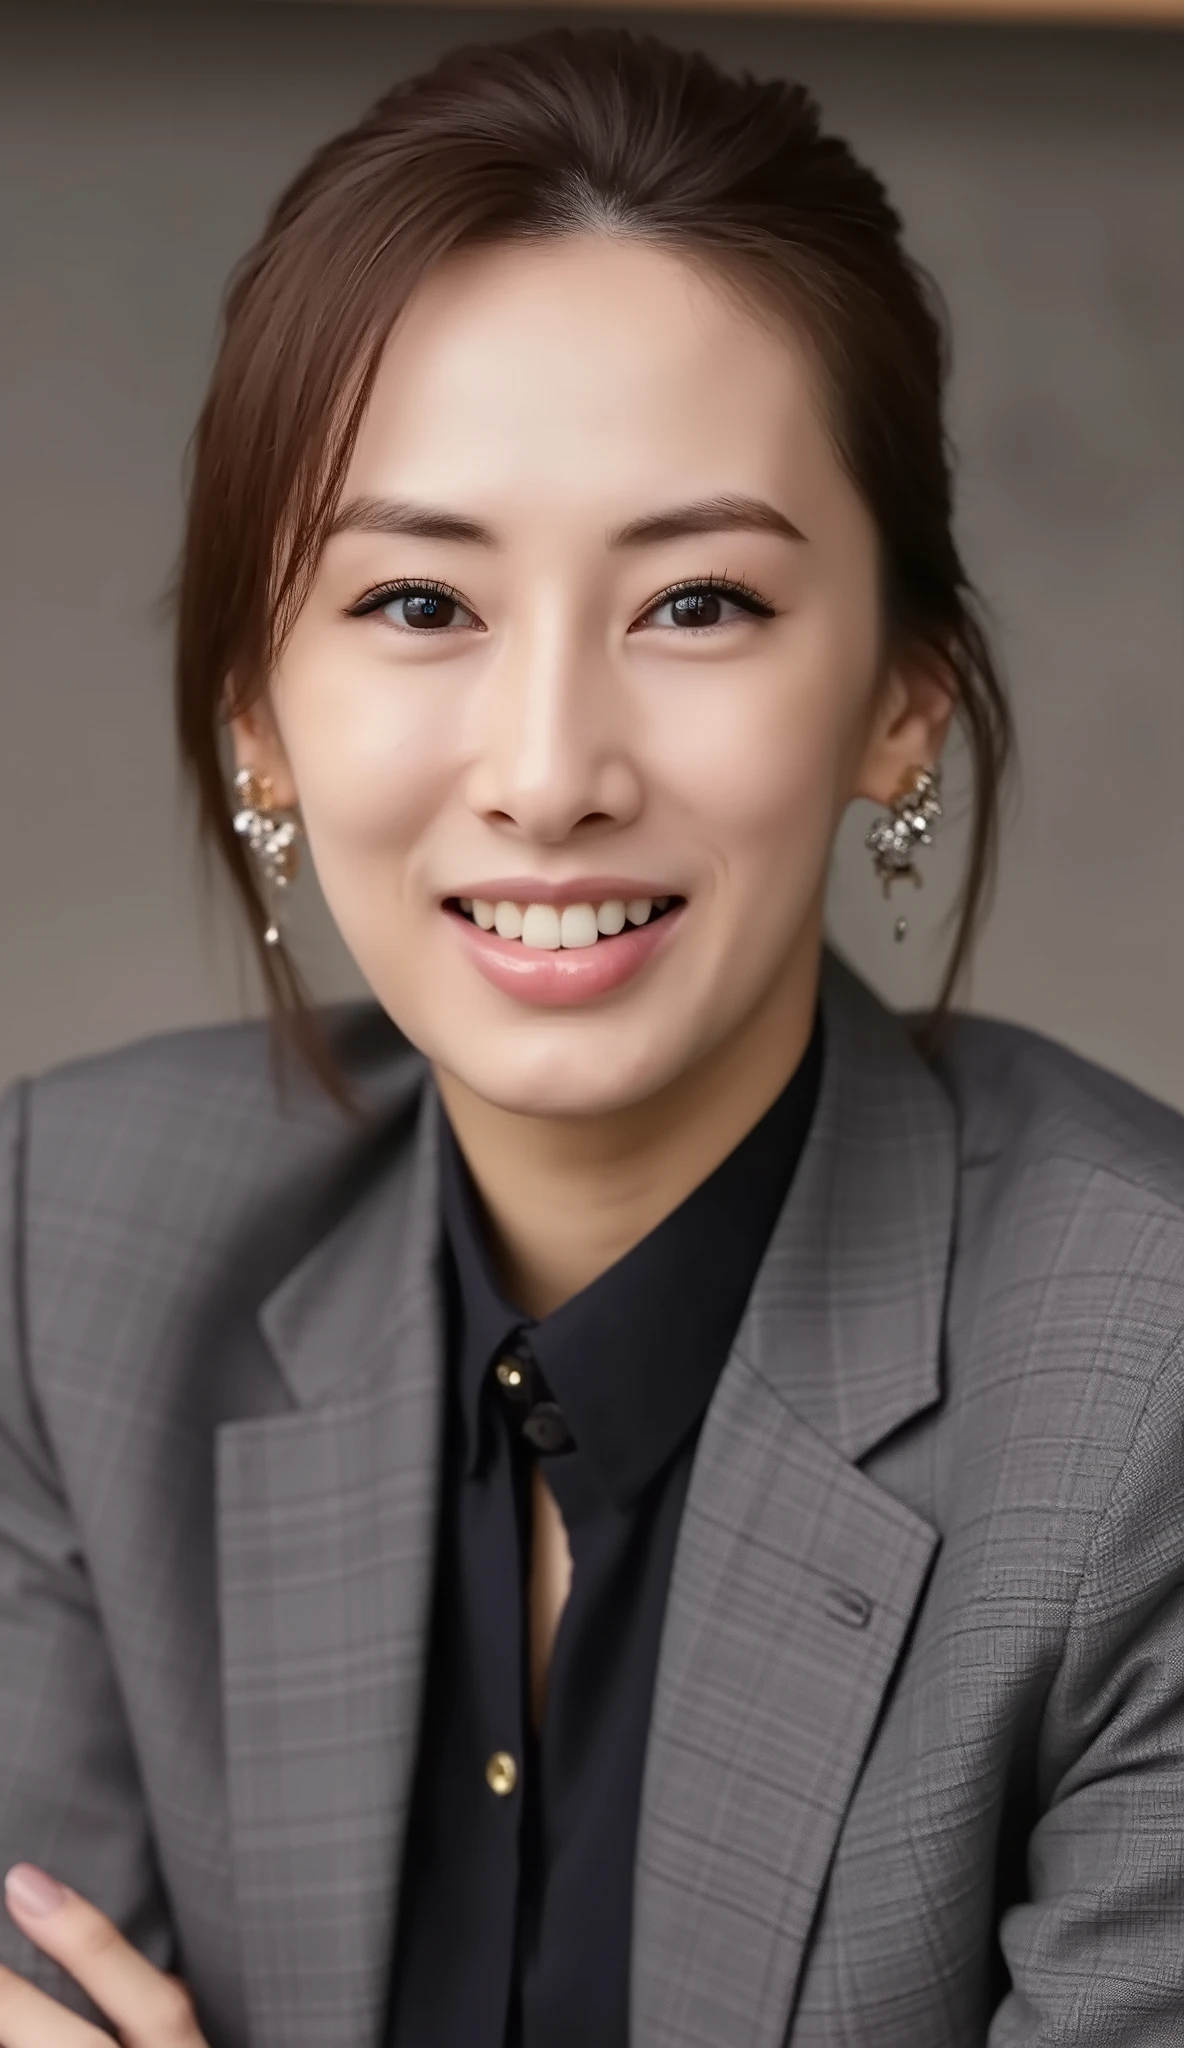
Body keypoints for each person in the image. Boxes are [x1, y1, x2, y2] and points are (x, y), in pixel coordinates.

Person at [1, 21, 1182, 2047]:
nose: (548, 773)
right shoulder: (68, 1256)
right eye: (415, 605)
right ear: (256, 714)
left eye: (698, 602)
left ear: (900, 694)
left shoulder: (1142, 1394)